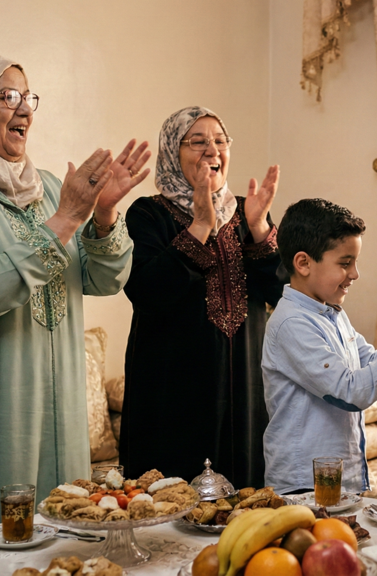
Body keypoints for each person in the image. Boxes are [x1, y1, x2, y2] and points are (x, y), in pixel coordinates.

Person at [0, 53, 150, 542]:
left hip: (58, 409)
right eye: (7, 96)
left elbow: (102, 280)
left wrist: (102, 216)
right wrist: (65, 218)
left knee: (61, 552)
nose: (25, 110)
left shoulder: (51, 190)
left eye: (28, 96)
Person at [120, 106, 283, 485]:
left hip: (245, 387)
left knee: (245, 507)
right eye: (198, 142)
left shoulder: (247, 212)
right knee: (170, 506)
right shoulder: (148, 214)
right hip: (171, 391)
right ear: (172, 152)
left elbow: (282, 291)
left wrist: (260, 230)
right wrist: (199, 228)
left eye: (220, 141)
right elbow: (146, 291)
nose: (212, 151)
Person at [262, 198, 377, 494]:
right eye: (345, 264)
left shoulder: (333, 313)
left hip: (344, 482)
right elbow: (350, 391)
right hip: (304, 489)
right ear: (303, 263)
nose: (355, 274)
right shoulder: (291, 324)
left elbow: (371, 361)